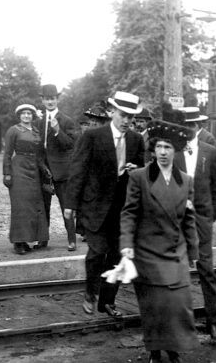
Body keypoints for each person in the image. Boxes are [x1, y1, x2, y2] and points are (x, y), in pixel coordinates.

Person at [119, 118, 198, 363]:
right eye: (159, 147)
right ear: (153, 149)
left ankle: (173, 349)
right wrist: (126, 245)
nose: (163, 152)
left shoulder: (185, 181)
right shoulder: (139, 177)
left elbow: (188, 219)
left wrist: (193, 253)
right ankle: (155, 350)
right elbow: (129, 213)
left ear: (176, 150)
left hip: (176, 251)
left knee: (178, 304)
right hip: (147, 252)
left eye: (168, 147)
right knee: (154, 306)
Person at [65, 91, 145, 317]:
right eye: (123, 115)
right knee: (97, 252)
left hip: (122, 209)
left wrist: (136, 169)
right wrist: (70, 203)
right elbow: (78, 170)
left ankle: (107, 301)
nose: (127, 121)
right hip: (95, 207)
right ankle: (91, 292)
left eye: (131, 117)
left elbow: (142, 168)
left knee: (119, 256)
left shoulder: (136, 140)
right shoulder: (92, 137)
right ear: (112, 112)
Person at [172, 106, 216, 345]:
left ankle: (214, 323)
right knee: (175, 269)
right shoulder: (172, 151)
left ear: (198, 126)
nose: (189, 129)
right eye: (186, 125)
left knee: (206, 268)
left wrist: (209, 216)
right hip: (176, 218)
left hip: (201, 218)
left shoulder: (210, 152)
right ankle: (176, 323)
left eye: (193, 125)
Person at [2, 104, 50, 255]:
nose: (27, 116)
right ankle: (18, 243)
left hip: (34, 170)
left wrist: (44, 169)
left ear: (33, 116)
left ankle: (28, 239)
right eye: (24, 113)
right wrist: (7, 173)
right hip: (19, 169)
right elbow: (7, 153)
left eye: (29, 113)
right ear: (19, 116)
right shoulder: (13, 130)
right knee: (20, 207)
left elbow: (40, 154)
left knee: (32, 207)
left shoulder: (36, 131)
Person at [37, 84, 79, 251]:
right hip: (44, 170)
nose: (50, 101)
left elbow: (70, 144)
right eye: (47, 98)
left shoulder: (66, 120)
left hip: (62, 170)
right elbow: (38, 146)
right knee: (43, 206)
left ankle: (71, 239)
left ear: (57, 99)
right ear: (42, 100)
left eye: (52, 98)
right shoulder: (38, 121)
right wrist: (40, 165)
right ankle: (43, 239)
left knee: (66, 206)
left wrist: (57, 130)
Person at [74, 102, 111, 243]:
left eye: (97, 121)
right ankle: (86, 231)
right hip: (88, 176)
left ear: (103, 123)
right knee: (87, 204)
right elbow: (78, 158)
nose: (93, 124)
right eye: (91, 121)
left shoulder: (108, 137)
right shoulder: (85, 137)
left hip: (104, 176)